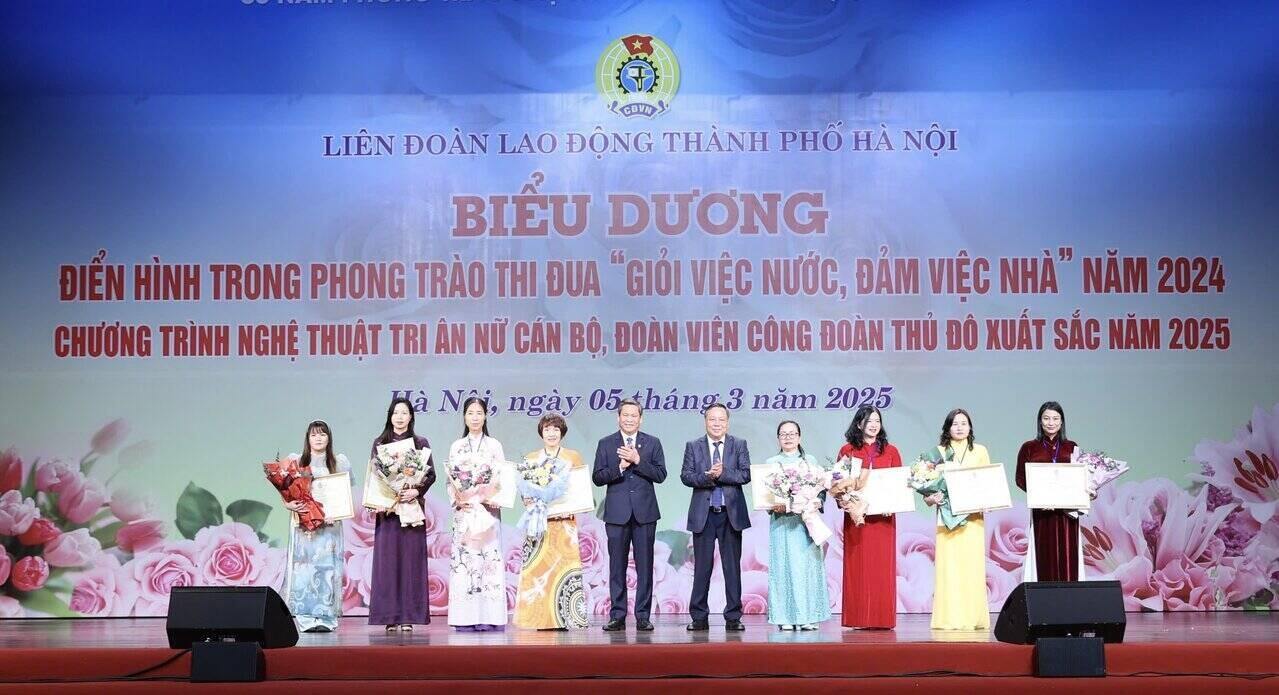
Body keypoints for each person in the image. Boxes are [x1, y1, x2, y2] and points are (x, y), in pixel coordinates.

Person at [592, 398, 667, 632]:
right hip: (616, 514)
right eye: (625, 415)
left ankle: (643, 615)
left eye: (634, 416)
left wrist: (637, 460)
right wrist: (620, 468)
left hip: (645, 513)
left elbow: (661, 474)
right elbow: (598, 476)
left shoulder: (652, 443)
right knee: (616, 566)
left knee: (645, 566)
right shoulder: (606, 443)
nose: (629, 419)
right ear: (618, 417)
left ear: (641, 419)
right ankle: (617, 615)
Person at [514, 413, 590, 629]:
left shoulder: (573, 457)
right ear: (541, 432)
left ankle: (567, 617)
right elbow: (524, 491)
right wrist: (528, 500)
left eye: (556, 429)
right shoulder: (531, 458)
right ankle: (538, 617)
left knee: (564, 570)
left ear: (562, 432)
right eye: (547, 429)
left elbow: (579, 488)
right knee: (539, 570)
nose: (551, 433)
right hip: (539, 522)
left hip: (564, 523)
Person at [681, 403, 751, 632]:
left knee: (732, 568)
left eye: (721, 420)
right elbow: (686, 476)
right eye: (712, 419)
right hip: (704, 514)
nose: (717, 423)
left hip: (731, 515)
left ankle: (733, 616)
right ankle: (699, 617)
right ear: (706, 422)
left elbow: (745, 474)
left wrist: (723, 473)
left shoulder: (739, 444)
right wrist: (709, 477)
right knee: (701, 568)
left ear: (727, 422)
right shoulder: (693, 446)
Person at [368, 397, 435, 631]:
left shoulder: (420, 443)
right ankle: (389, 616)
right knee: (388, 563)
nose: (399, 417)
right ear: (390, 416)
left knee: (411, 563)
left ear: (411, 417)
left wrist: (416, 490)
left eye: (404, 413)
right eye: (396, 413)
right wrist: (380, 499)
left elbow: (431, 475)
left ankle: (409, 616)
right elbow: (375, 477)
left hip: (411, 510)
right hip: (388, 513)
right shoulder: (380, 443)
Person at [834, 405, 901, 629]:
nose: (874, 425)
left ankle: (883, 619)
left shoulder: (891, 451)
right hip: (858, 520)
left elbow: (899, 484)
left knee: (882, 568)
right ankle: (858, 618)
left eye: (877, 421)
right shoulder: (847, 450)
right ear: (859, 423)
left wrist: (892, 503)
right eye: (869, 420)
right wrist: (844, 498)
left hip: (883, 520)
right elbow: (837, 483)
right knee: (858, 568)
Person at [445, 396, 507, 632]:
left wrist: (493, 498)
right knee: (466, 563)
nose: (475, 417)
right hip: (465, 513)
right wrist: (459, 499)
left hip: (487, 512)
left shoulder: (494, 445)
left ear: (485, 416)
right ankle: (465, 617)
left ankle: (490, 616)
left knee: (488, 562)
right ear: (464, 416)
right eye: (470, 413)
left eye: (479, 413)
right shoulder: (456, 446)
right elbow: (450, 480)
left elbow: (501, 479)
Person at [282, 420, 349, 632]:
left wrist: (336, 512)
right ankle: (305, 617)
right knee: (305, 570)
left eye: (322, 434)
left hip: (329, 527)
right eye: (314, 435)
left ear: (329, 438)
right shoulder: (296, 462)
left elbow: (343, 494)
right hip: (305, 527)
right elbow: (285, 492)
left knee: (327, 569)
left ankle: (326, 618)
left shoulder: (338, 463)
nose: (318, 438)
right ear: (307, 438)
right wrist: (288, 503)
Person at [927, 409, 991, 630]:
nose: (960, 427)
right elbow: (926, 487)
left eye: (964, 423)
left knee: (971, 567)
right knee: (949, 569)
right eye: (955, 424)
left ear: (970, 427)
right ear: (948, 428)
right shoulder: (938, 453)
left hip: (973, 519)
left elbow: (987, 482)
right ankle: (949, 618)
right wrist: (930, 497)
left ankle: (973, 618)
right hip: (947, 519)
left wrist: (989, 500)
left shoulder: (980, 451)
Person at [765, 420, 830, 631]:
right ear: (778, 438)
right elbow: (765, 495)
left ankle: (808, 616)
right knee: (783, 567)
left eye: (792, 433)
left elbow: (821, 487)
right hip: (782, 523)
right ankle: (784, 616)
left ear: (799, 437)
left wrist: (816, 500)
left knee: (807, 568)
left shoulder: (809, 461)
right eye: (783, 434)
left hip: (805, 523)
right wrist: (774, 505)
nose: (788, 437)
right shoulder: (772, 462)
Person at [1016, 401, 1084, 582]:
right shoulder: (1029, 447)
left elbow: (1079, 476)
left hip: (1067, 512)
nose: (1051, 422)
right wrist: (1040, 498)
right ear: (1040, 421)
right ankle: (1045, 601)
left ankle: (1069, 601)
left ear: (1062, 422)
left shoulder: (1071, 446)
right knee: (1043, 553)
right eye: (1046, 418)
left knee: (1068, 554)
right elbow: (1020, 479)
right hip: (1042, 511)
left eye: (1055, 418)